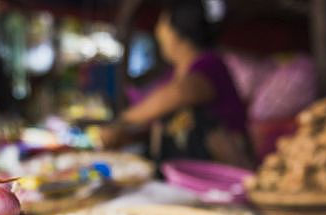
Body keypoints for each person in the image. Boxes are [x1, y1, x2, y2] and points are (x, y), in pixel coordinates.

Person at [99, 0, 252, 168]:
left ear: (177, 34)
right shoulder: (174, 73)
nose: (158, 32)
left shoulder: (210, 64)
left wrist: (124, 120)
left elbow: (180, 93)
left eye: (162, 25)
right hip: (183, 175)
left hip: (226, 175)